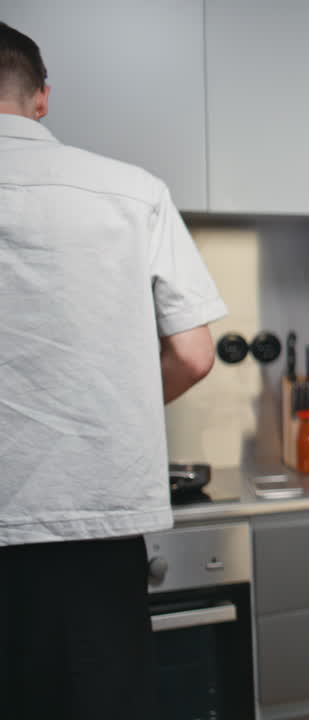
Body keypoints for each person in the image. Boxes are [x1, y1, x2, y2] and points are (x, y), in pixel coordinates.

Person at [0, 22, 226, 720]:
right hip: (101, 525)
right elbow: (193, 353)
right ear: (41, 98)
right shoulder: (133, 191)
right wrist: (113, 402)